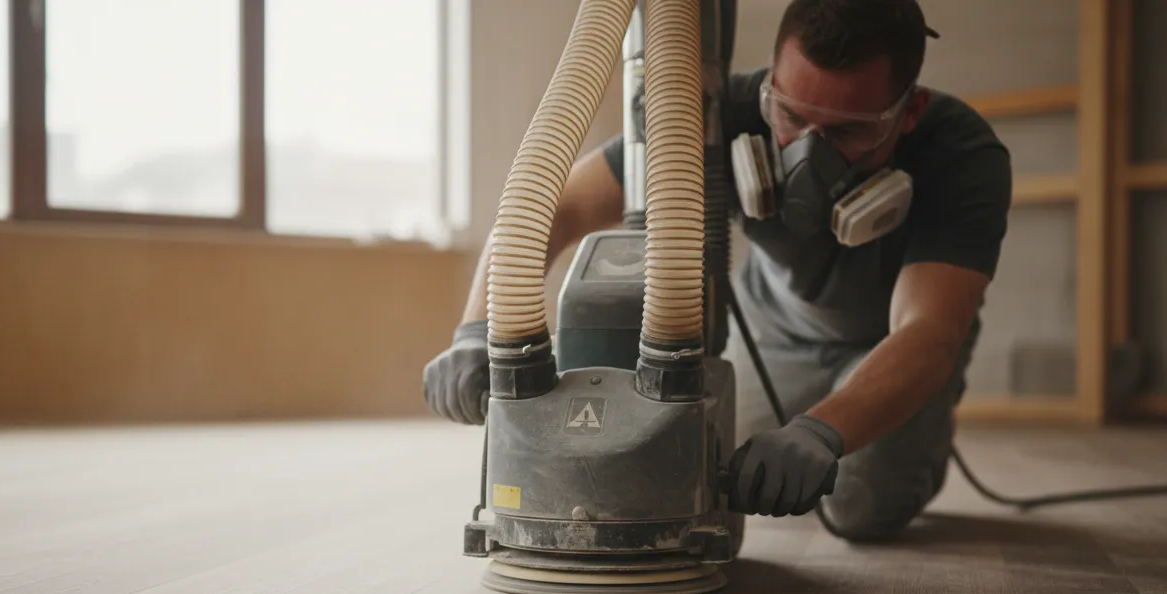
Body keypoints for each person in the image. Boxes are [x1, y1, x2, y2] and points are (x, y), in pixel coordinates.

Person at [423, 0, 1012, 542]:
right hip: (771, 331)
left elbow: (928, 332)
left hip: (889, 347)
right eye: (791, 116)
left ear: (908, 112)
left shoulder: (959, 154)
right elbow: (550, 207)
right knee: (698, 472)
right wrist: (477, 331)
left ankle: (921, 436)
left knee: (860, 509)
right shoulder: (717, 111)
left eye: (849, 131)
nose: (808, 153)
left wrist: (820, 432)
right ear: (771, 83)